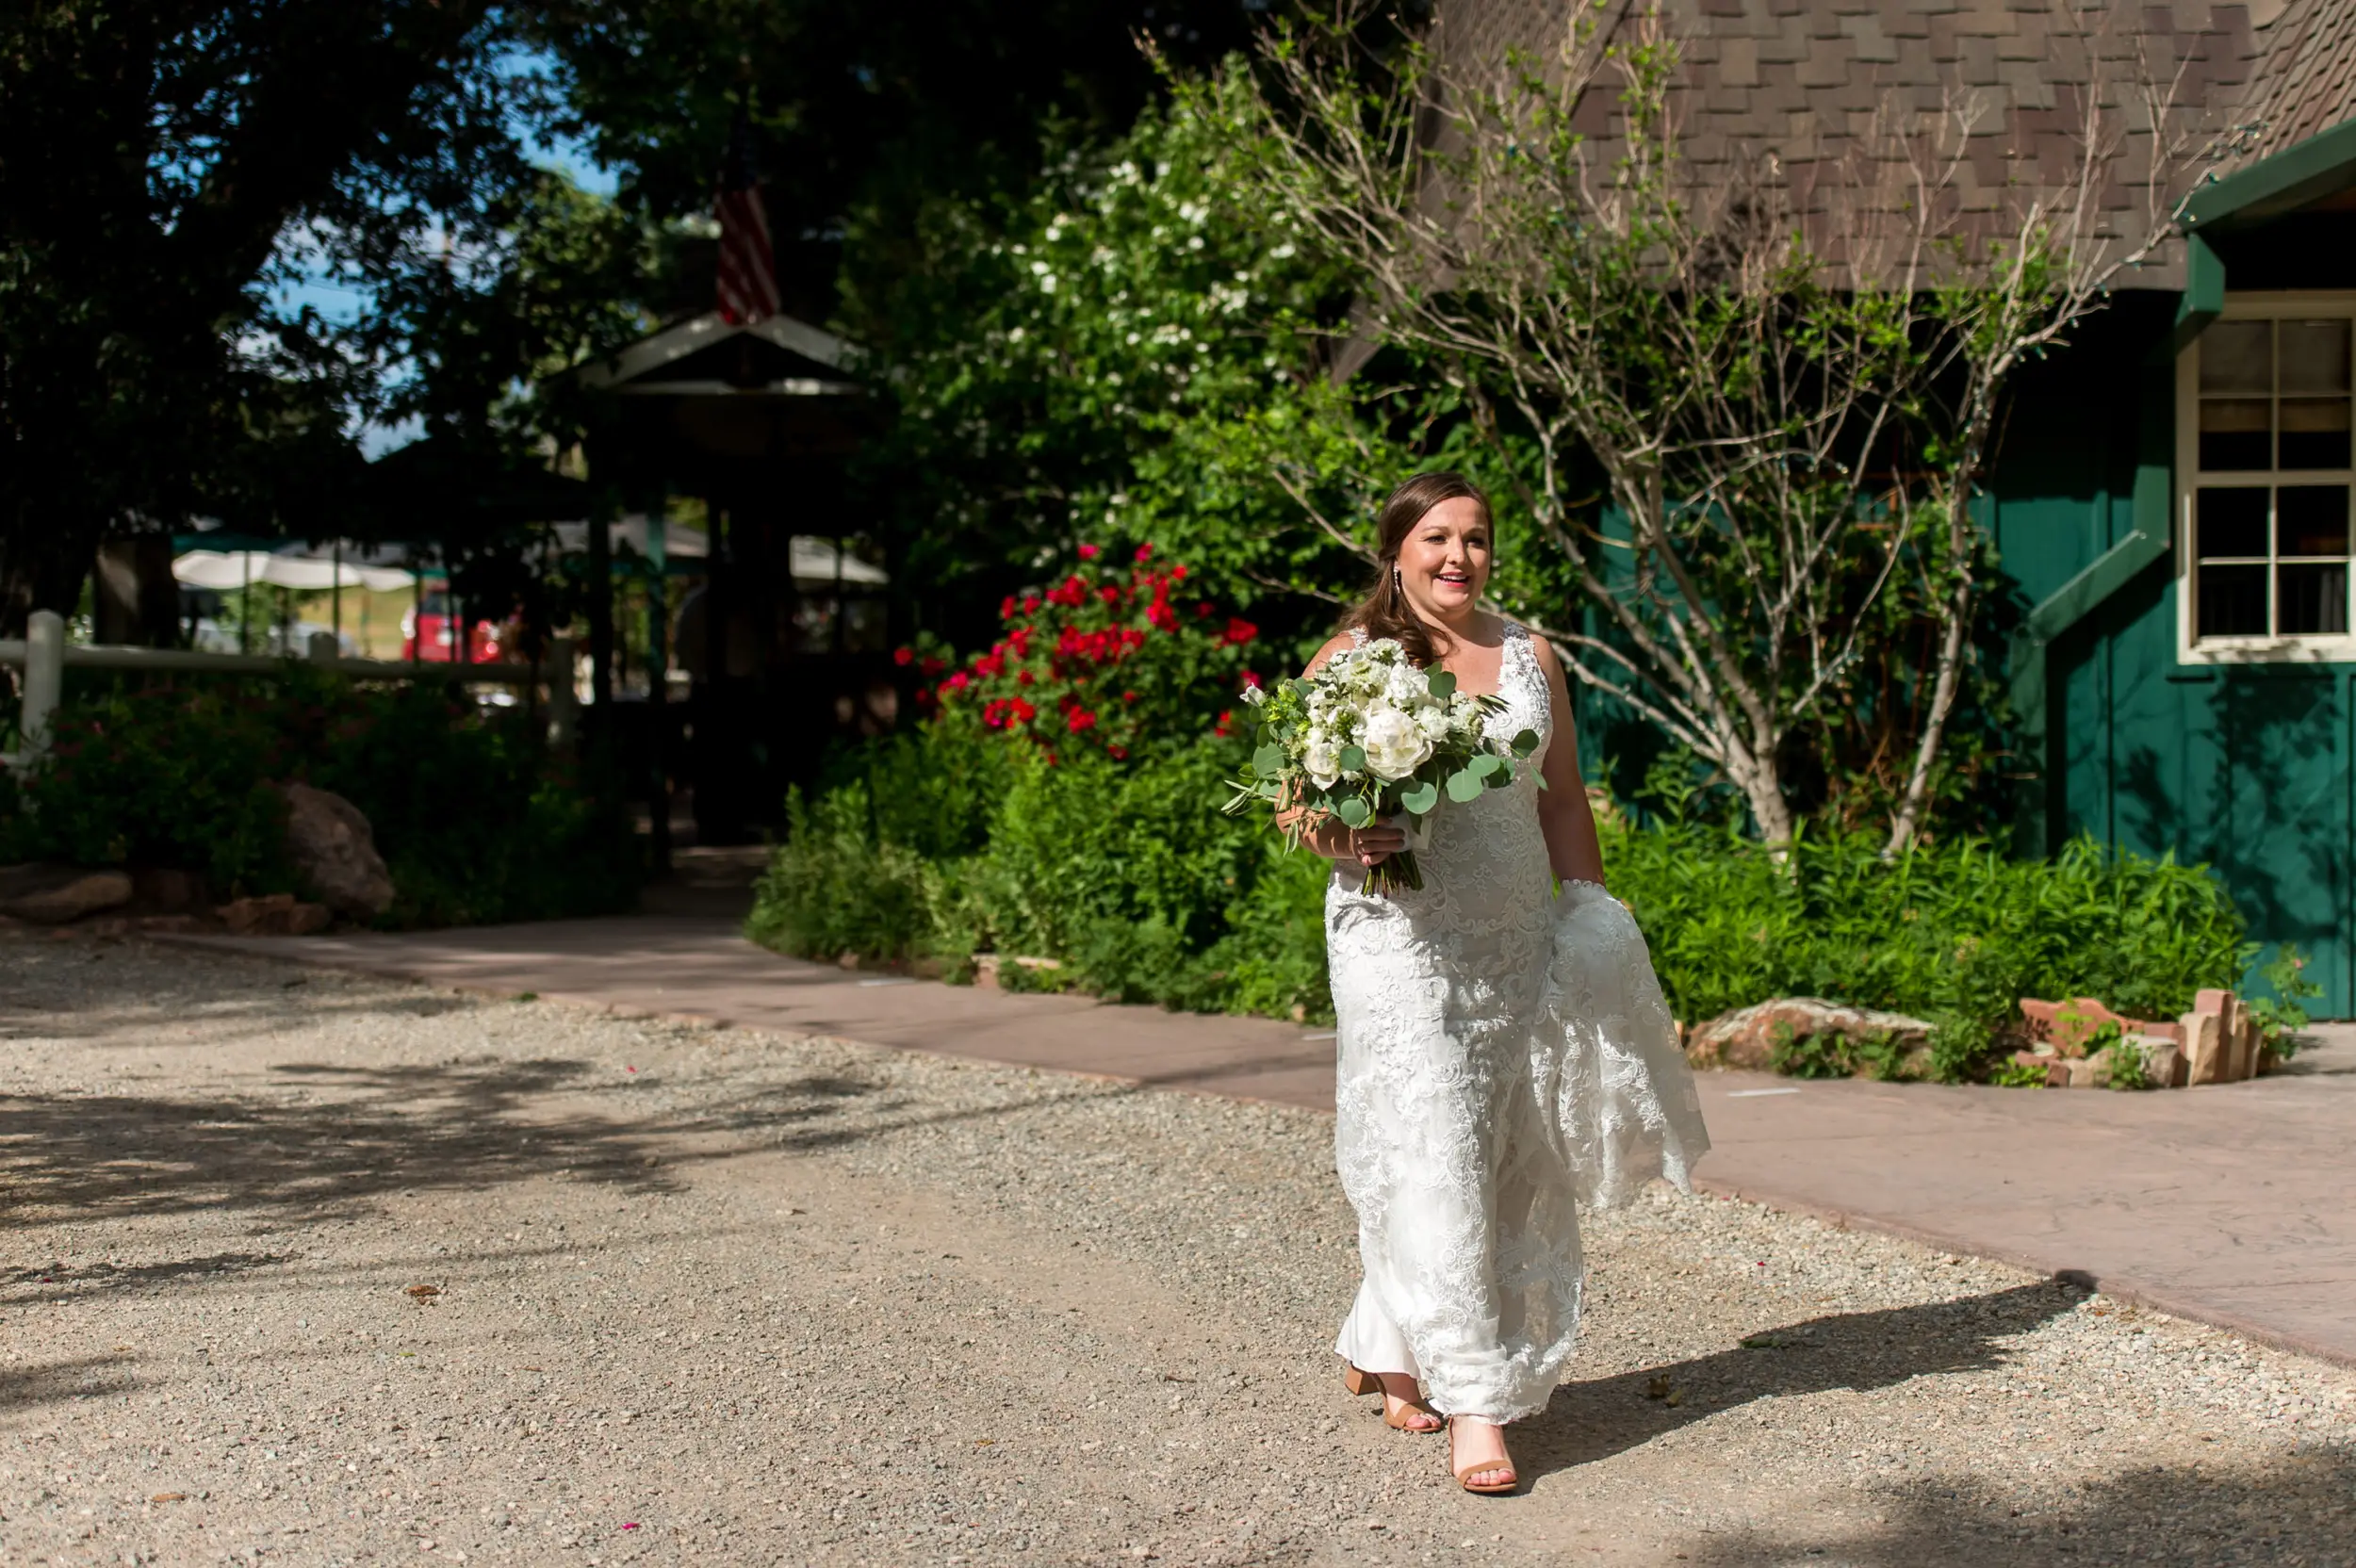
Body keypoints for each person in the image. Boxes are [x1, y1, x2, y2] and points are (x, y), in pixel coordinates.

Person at [1286, 472, 1710, 1494]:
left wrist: (1591, 915)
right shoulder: (1353, 662)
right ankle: (1478, 1399)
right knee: (1432, 1134)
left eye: (1475, 539)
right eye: (1436, 537)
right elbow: (1297, 810)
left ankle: (1384, 1334)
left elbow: (1561, 800)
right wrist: (1349, 830)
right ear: (1396, 548)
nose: (1457, 557)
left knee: (1495, 1142)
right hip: (1397, 934)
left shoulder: (1530, 654)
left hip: (1515, 934)